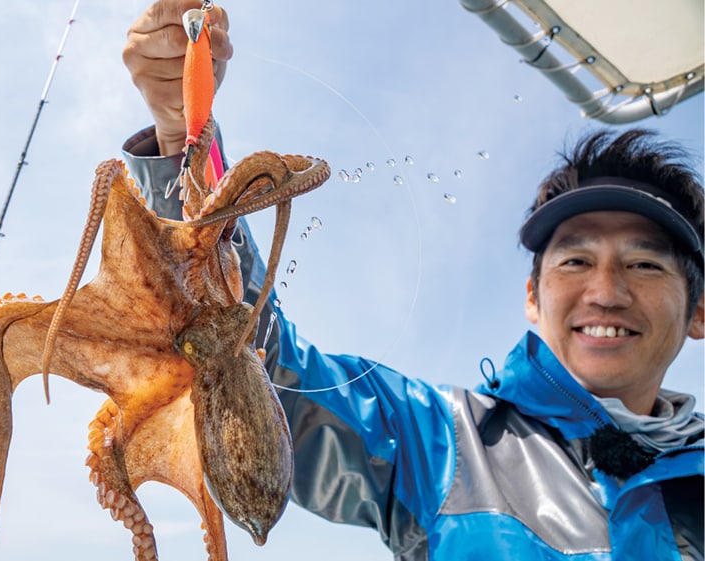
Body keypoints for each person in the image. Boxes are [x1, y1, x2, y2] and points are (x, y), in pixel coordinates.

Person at [120, 2, 705, 559]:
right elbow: (262, 363)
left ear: (699, 310)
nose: (605, 292)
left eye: (644, 264)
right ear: (532, 295)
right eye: (574, 261)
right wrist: (182, 139)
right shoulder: (439, 441)